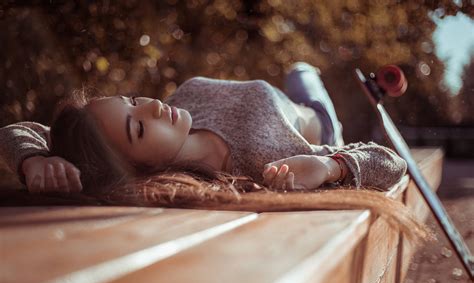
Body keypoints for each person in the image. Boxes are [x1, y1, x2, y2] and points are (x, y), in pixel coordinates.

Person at [0, 62, 407, 195]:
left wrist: (32, 158)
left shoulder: (179, 107)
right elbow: (391, 164)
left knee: (297, 68)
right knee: (302, 71)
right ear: (137, 169)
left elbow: (17, 130)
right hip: (319, 118)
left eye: (134, 100)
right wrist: (331, 166)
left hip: (290, 94)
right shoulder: (262, 162)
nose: (155, 107)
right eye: (138, 129)